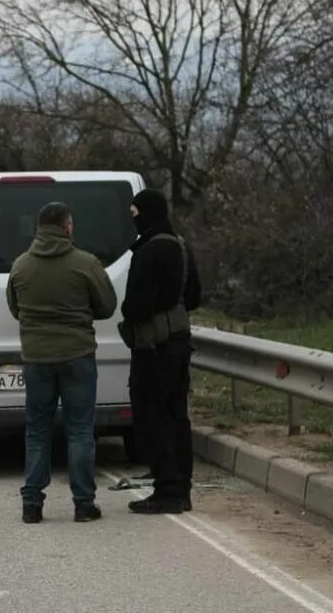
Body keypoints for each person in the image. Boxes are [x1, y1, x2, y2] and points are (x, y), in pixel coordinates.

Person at [6, 202, 118, 524]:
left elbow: (15, 308)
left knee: (37, 431)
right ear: (67, 227)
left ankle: (32, 504)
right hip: (77, 356)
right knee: (80, 430)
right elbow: (107, 305)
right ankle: (84, 503)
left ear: (38, 228)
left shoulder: (21, 266)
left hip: (37, 358)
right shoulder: (85, 264)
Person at [120, 189, 202, 514]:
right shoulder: (181, 246)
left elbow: (135, 306)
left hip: (153, 348)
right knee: (177, 416)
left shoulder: (149, 250)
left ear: (145, 214)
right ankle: (182, 487)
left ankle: (166, 489)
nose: (133, 220)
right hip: (180, 343)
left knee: (152, 417)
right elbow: (194, 297)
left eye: (135, 213)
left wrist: (136, 312)